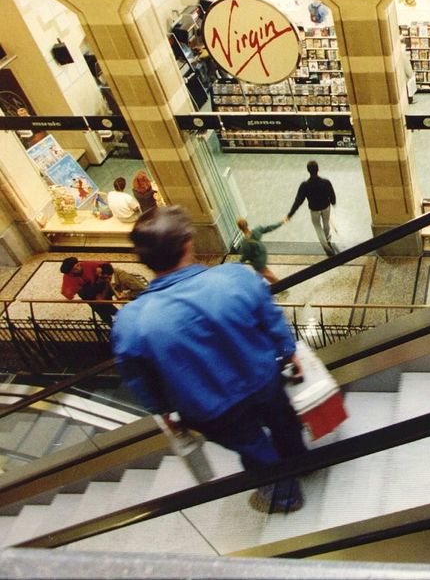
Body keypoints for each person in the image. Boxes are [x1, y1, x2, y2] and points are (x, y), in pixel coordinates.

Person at [112, 207, 308, 513]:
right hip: (262, 379)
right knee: (283, 421)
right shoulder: (236, 277)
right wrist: (288, 351)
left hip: (209, 408)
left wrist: (162, 410)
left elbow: (140, 377)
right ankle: (303, 462)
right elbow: (271, 319)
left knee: (253, 447)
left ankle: (284, 496)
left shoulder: (131, 322)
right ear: (188, 244)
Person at [287, 160, 340, 255]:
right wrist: (333, 202)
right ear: (318, 169)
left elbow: (298, 201)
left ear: (308, 171)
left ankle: (326, 247)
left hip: (314, 209)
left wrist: (290, 214)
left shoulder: (305, 185)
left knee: (317, 227)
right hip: (326, 207)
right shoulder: (325, 182)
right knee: (326, 223)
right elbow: (332, 193)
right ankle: (328, 240)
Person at [59, 256, 118, 325]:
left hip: (101, 288)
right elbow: (68, 293)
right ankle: (112, 323)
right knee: (102, 311)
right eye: (74, 269)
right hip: (90, 296)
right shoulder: (68, 277)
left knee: (107, 306)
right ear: (70, 272)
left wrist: (102, 294)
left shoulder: (88, 264)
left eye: (78, 265)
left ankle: (119, 318)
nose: (78, 269)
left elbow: (107, 268)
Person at [237, 217, 285, 284]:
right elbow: (269, 228)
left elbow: (246, 255)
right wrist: (281, 222)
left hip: (258, 261)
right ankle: (258, 284)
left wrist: (239, 262)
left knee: (267, 273)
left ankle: (281, 286)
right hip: (263, 253)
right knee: (260, 273)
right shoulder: (257, 230)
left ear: (240, 228)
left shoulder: (245, 242)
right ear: (247, 224)